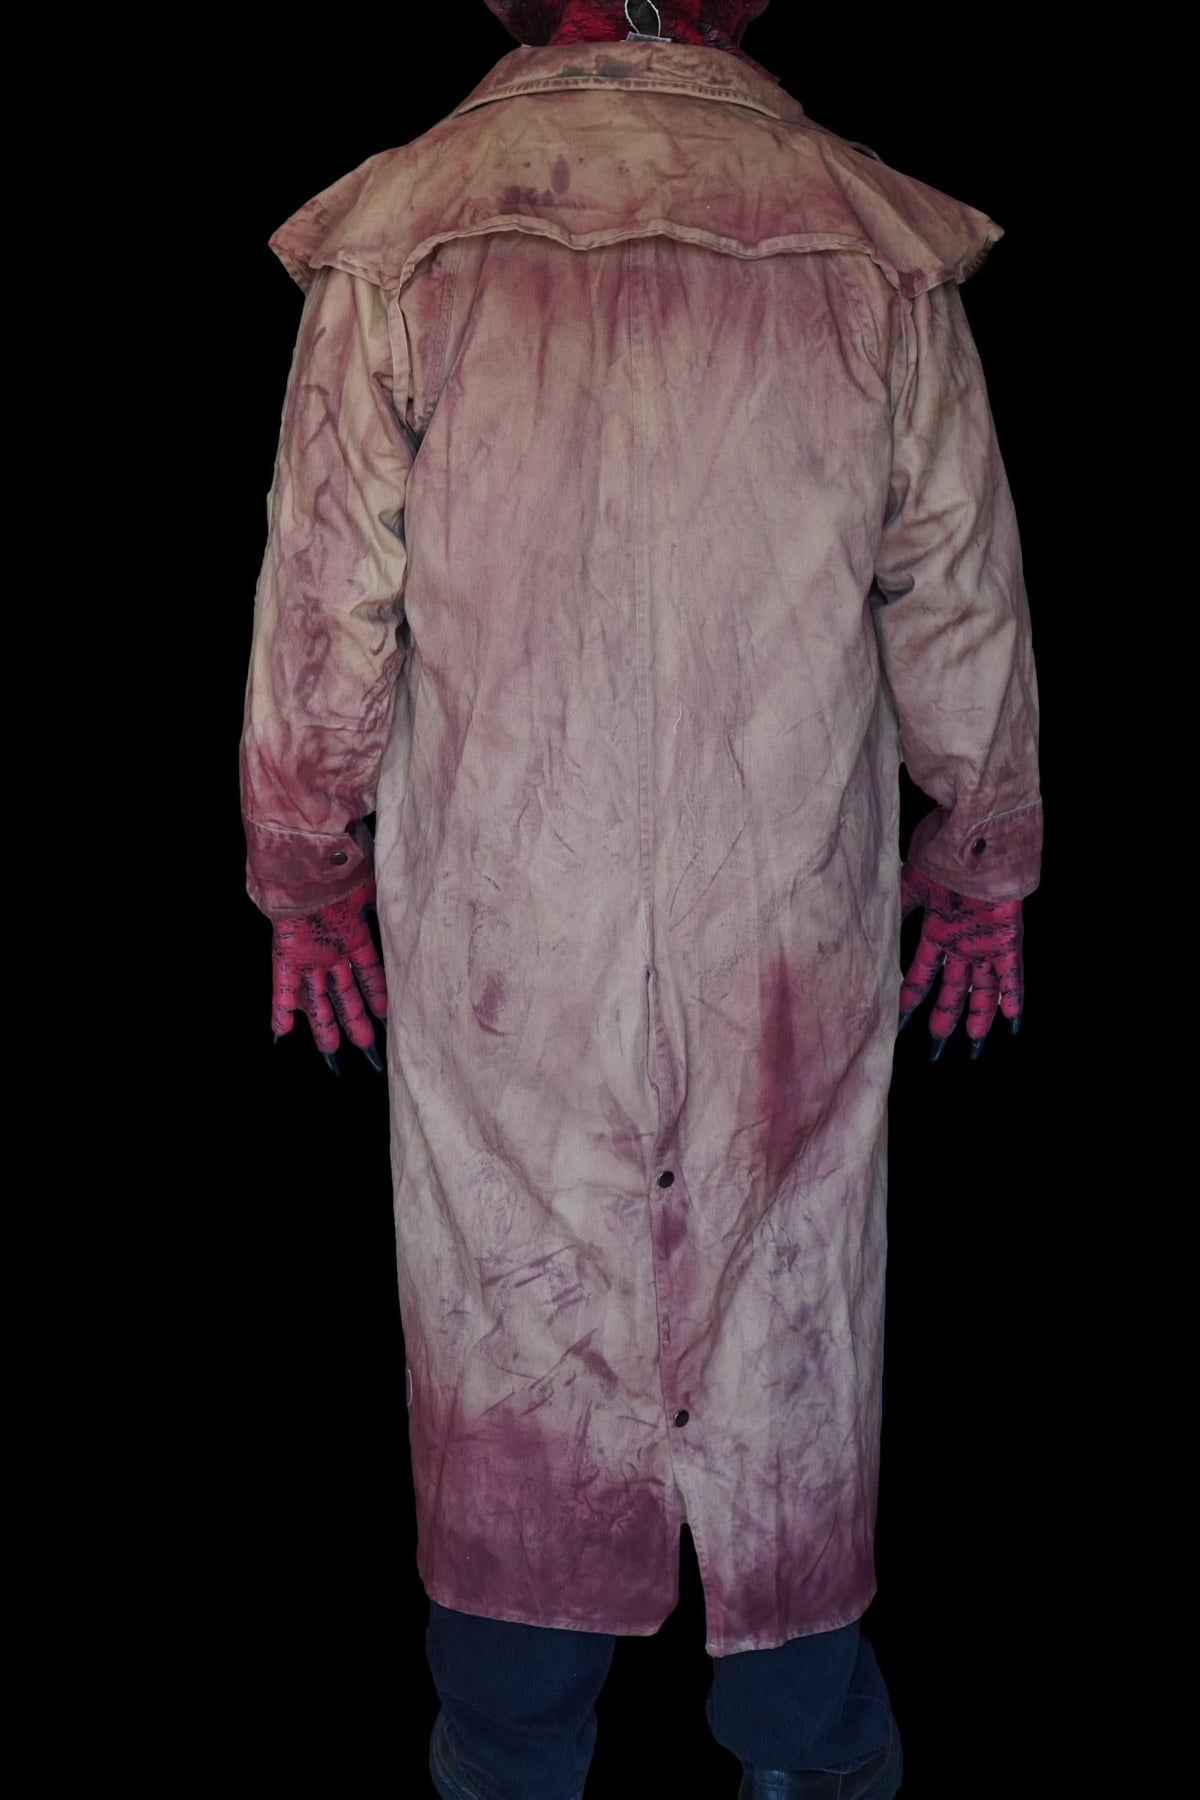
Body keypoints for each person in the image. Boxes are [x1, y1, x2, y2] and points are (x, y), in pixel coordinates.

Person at [239, 3, 1041, 1794]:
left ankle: (513, 1744)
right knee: (787, 1307)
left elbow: (320, 611)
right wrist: (981, 861)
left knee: (515, 1295)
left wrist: (306, 876)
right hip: (786, 922)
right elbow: (960, 594)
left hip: (509, 924)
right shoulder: (866, 241)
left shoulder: (407, 234)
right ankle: (804, 1743)